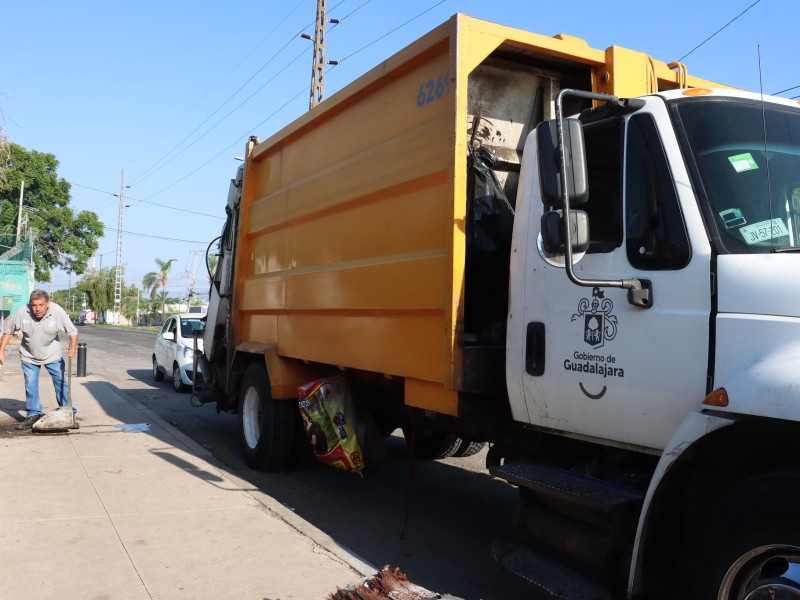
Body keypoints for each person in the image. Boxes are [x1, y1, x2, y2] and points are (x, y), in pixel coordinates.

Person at [0, 290, 79, 430]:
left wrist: (73, 348)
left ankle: (68, 414)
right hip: (29, 355)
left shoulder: (57, 311)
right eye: (34, 305)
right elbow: (8, 331)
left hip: (52, 354)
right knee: (31, 384)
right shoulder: (22, 312)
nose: (37, 309)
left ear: (47, 303)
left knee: (61, 383)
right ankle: (34, 414)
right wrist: (1, 351)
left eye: (41, 305)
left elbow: (73, 332)